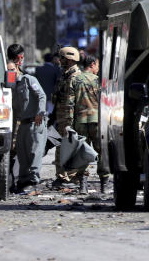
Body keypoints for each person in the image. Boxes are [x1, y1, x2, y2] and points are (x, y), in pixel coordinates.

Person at [7, 44, 47, 194]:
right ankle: (23, 182)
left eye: (11, 70)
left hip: (35, 122)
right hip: (22, 124)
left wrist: (40, 113)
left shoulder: (29, 79)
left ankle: (33, 180)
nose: (9, 72)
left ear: (18, 61)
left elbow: (42, 96)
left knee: (34, 152)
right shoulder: (10, 86)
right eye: (7, 71)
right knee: (22, 155)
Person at [52, 46, 88, 191]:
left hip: (70, 118)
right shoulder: (64, 75)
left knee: (71, 146)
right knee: (61, 146)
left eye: (62, 58)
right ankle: (62, 176)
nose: (59, 61)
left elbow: (73, 101)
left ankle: (72, 177)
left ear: (69, 60)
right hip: (62, 117)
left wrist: (70, 121)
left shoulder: (76, 77)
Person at [77, 54, 110, 193]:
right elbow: (107, 102)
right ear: (91, 65)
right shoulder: (99, 82)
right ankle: (104, 184)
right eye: (97, 65)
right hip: (97, 121)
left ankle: (83, 186)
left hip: (80, 121)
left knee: (82, 152)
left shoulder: (76, 79)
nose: (98, 68)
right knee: (102, 152)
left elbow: (69, 102)